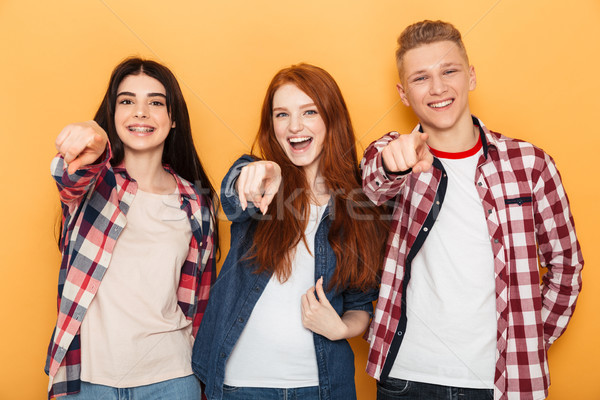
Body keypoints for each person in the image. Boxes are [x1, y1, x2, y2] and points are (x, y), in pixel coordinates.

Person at [361, 20, 583, 400]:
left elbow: (566, 265)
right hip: (407, 379)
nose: (437, 88)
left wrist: (527, 340)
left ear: (472, 76)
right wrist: (392, 163)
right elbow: (374, 185)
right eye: (420, 78)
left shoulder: (530, 163)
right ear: (402, 93)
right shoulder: (394, 151)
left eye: (449, 71)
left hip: (502, 383)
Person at [192, 63, 388, 400]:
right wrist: (258, 172)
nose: (294, 126)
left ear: (331, 118)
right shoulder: (261, 183)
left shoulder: (360, 206)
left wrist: (342, 328)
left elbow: (361, 306)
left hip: (322, 389)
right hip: (243, 388)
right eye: (281, 115)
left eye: (309, 111)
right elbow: (233, 198)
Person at [45, 57, 218, 399]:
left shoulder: (196, 204)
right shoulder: (96, 184)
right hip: (88, 383)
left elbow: (200, 302)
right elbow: (68, 176)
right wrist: (92, 140)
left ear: (172, 121)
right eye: (127, 101)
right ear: (112, 116)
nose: (140, 112)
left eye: (155, 102)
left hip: (172, 378)